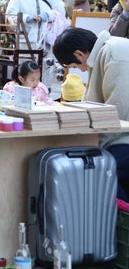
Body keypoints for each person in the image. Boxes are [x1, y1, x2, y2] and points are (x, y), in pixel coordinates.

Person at [53, 27, 129, 200]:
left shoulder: (113, 54)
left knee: (93, 170)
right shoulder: (107, 51)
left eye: (75, 66)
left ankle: (121, 220)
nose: (80, 70)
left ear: (79, 54)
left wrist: (95, 142)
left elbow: (120, 110)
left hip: (124, 137)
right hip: (122, 136)